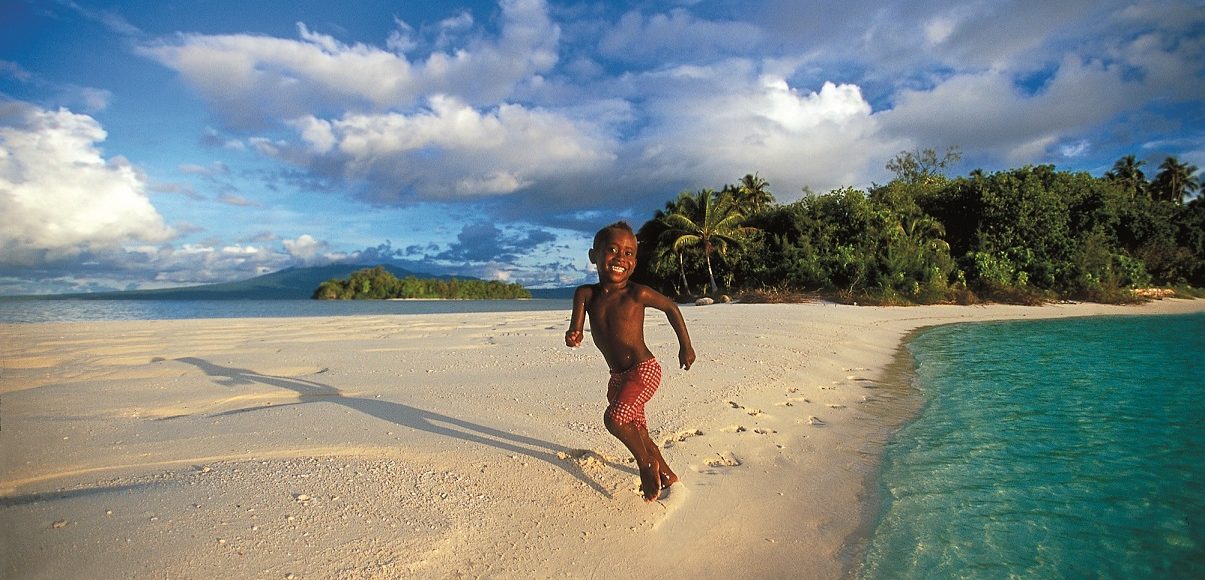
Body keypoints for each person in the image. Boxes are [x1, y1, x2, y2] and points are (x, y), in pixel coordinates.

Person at [565, 221, 696, 502]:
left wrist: (685, 346)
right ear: (594, 256)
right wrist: (574, 335)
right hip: (618, 377)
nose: (620, 258)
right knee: (637, 430)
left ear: (634, 262)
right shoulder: (585, 294)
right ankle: (668, 475)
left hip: (644, 370)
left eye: (628, 253)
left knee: (614, 418)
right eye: (612, 250)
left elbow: (672, 308)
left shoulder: (638, 293)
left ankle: (646, 464)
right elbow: (576, 327)